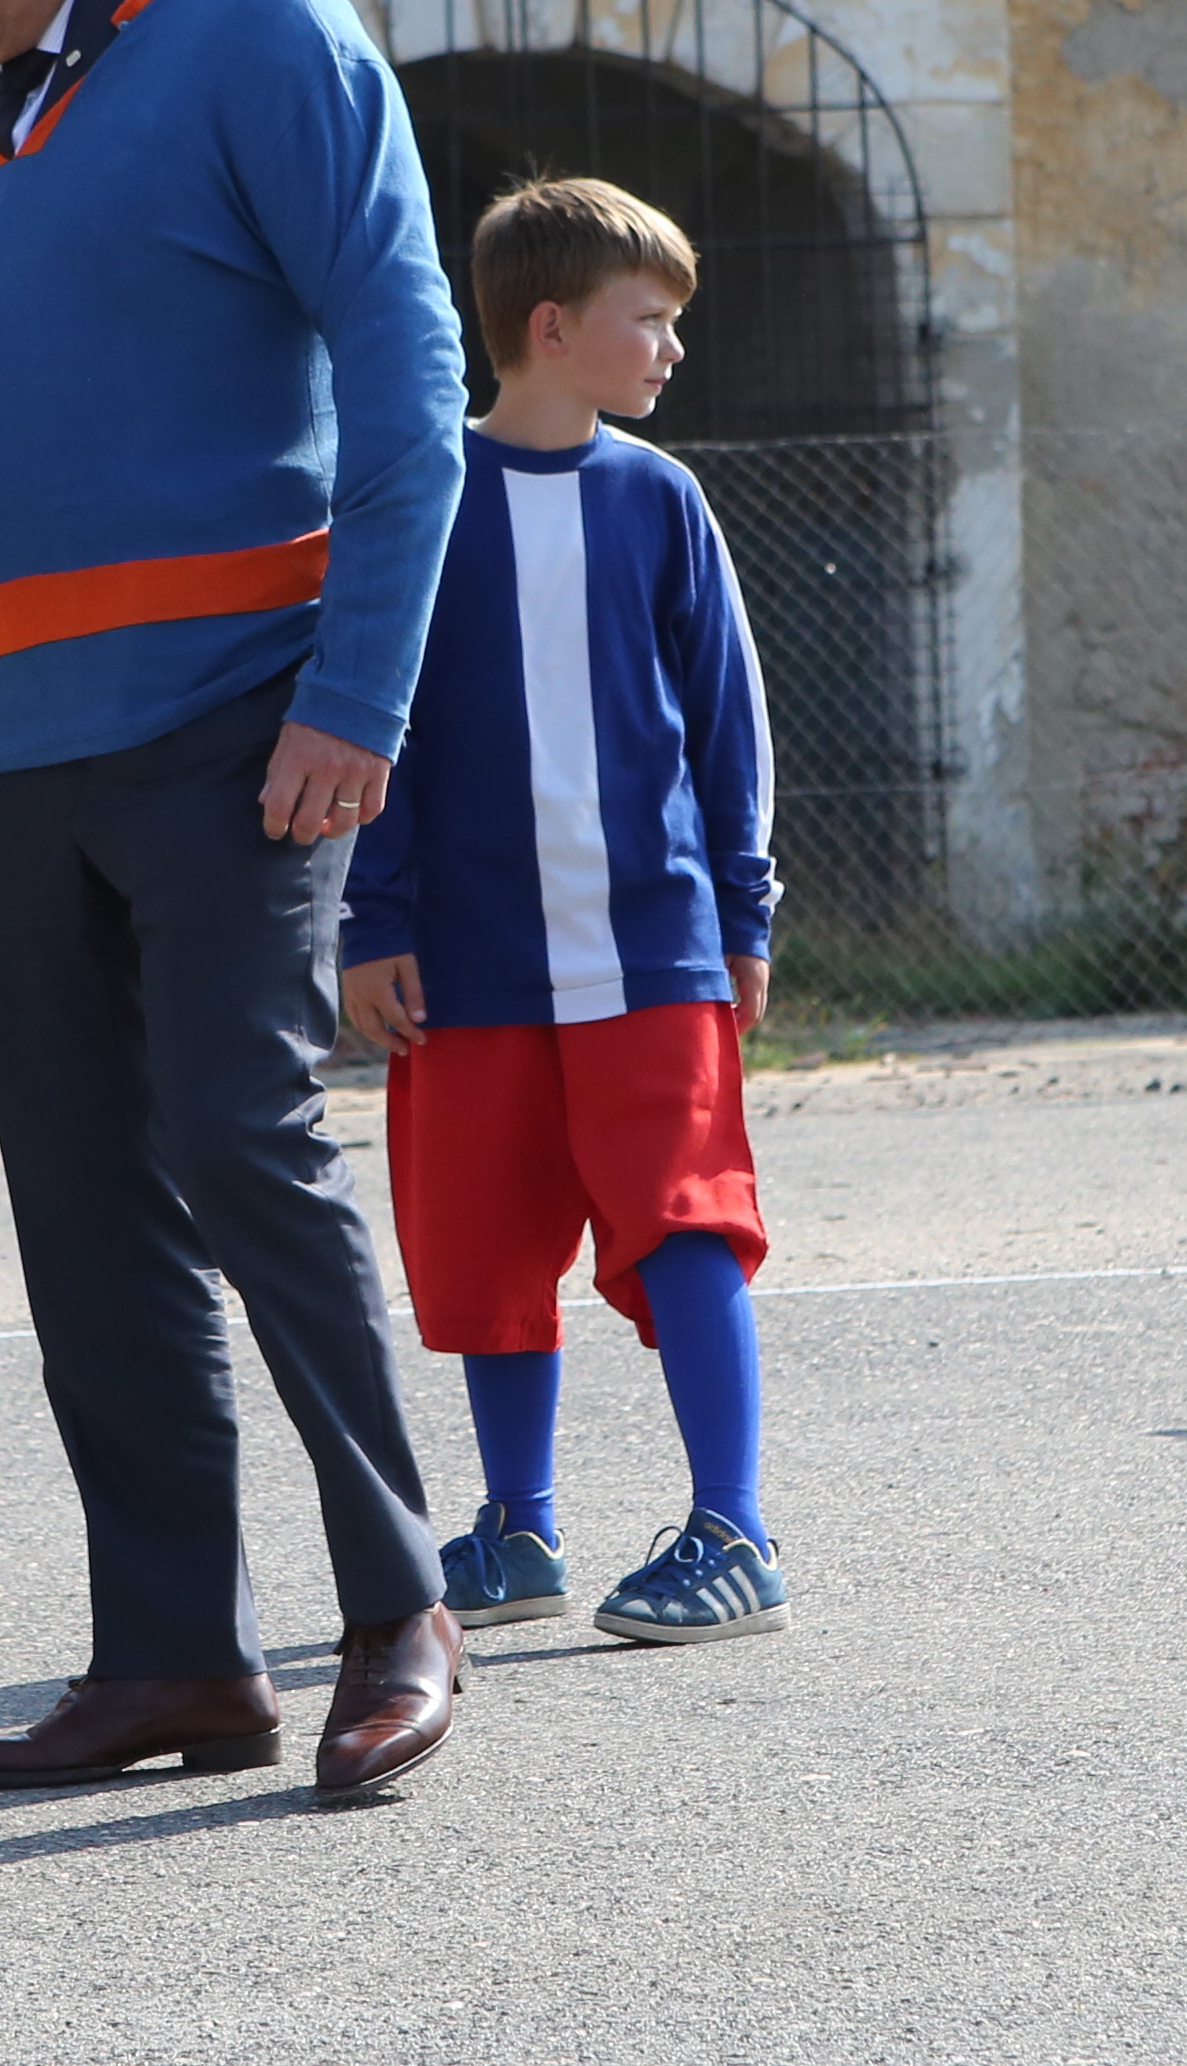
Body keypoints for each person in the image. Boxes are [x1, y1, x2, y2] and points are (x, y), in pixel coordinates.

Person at [0, 0, 472, 1801]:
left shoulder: (258, 30)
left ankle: (401, 1609)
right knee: (84, 1213)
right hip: (10, 765)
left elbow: (409, 369)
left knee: (239, 1143)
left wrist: (359, 695)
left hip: (231, 730)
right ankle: (175, 1659)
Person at [339, 176, 790, 1649]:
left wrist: (744, 913)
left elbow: (728, 724)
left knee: (687, 1222)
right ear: (549, 327)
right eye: (646, 319)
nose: (672, 347)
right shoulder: (420, 499)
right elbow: (371, 723)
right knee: (486, 1243)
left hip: (653, 950)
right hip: (464, 961)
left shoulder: (663, 500)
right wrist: (370, 921)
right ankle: (518, 1528)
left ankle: (736, 1531)